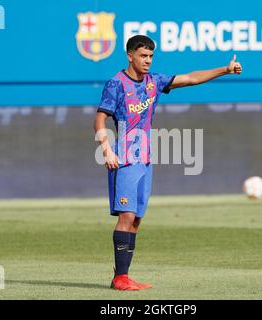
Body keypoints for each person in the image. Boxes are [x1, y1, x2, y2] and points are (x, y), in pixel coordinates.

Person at [94, 35, 242, 291]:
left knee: (137, 219)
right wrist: (107, 149)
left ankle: (122, 274)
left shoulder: (154, 82)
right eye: (143, 56)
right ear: (130, 56)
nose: (148, 61)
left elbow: (191, 78)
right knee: (126, 216)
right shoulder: (116, 84)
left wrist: (225, 70)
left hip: (146, 160)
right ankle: (121, 279)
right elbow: (100, 119)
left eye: (151, 56)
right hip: (125, 159)